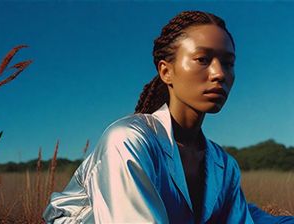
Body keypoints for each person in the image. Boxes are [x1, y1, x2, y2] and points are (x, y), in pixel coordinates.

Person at [42, 11, 294, 223]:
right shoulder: (127, 139)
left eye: (228, 63)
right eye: (202, 59)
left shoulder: (224, 164)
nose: (219, 74)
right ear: (166, 71)